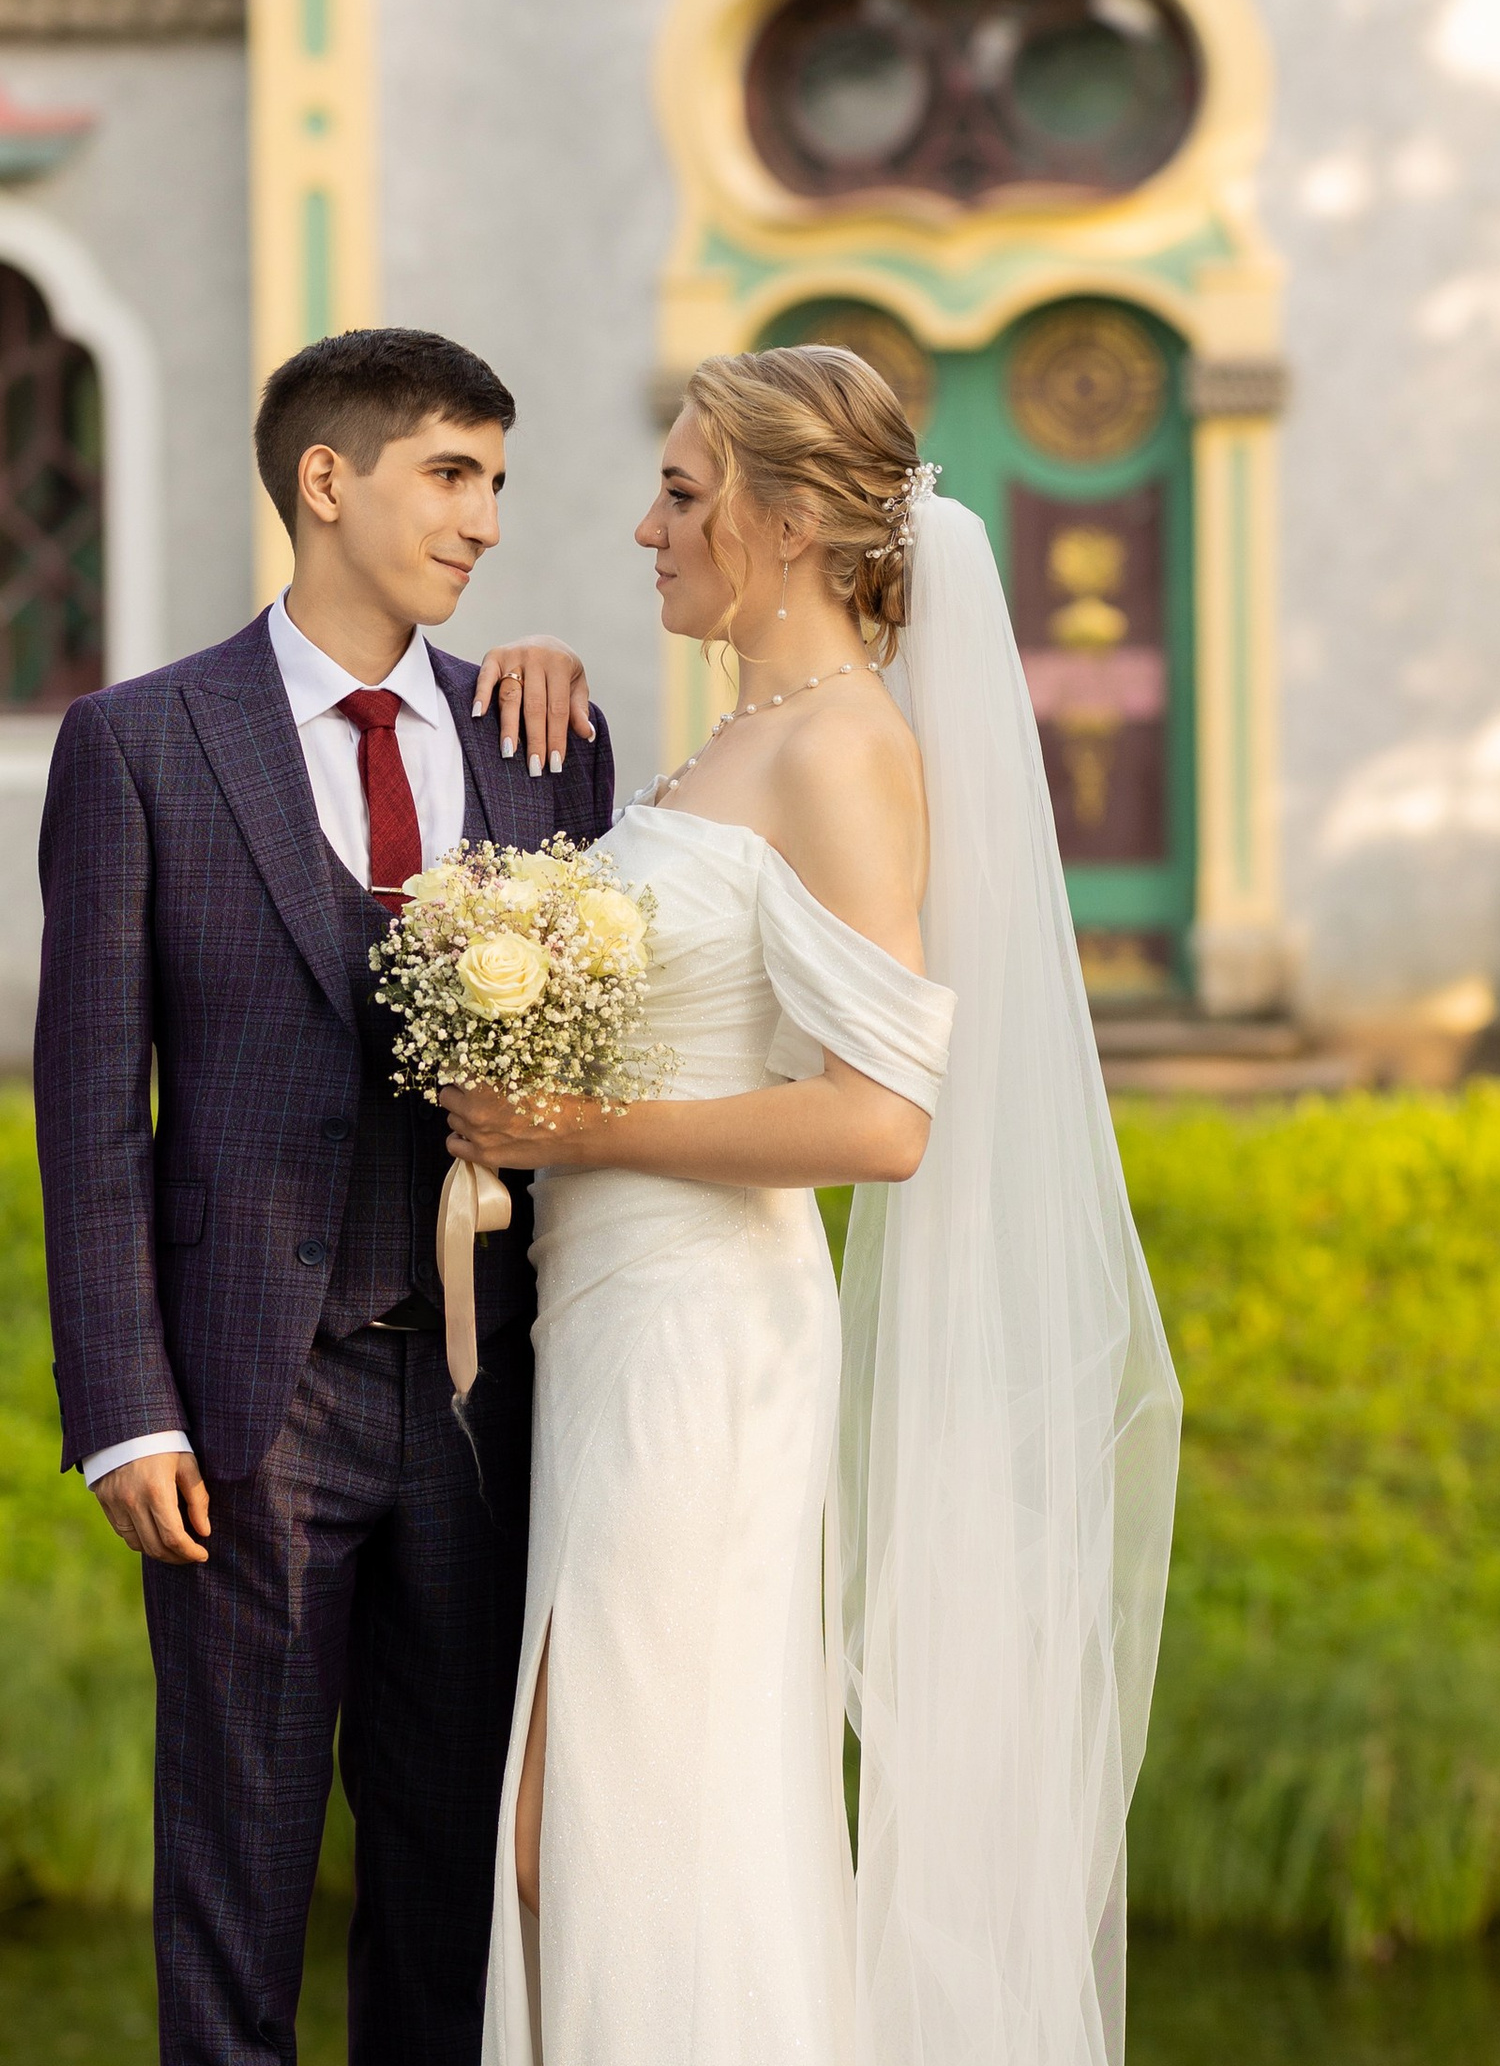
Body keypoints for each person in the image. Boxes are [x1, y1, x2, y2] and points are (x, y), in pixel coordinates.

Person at [444, 344, 1184, 2066]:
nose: (647, 526)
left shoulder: (847, 748)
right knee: (610, 1826)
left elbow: (882, 1117)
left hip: (710, 1345)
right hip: (614, 1326)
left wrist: (585, 1124)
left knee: (609, 1825)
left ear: (784, 521)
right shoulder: (739, 738)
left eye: (685, 493)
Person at [33, 326, 611, 2066]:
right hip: (243, 1403)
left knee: (448, 1898)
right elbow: (86, 1109)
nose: (488, 522)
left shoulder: (538, 747)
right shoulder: (138, 744)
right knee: (236, 1879)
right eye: (453, 474)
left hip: (482, 1394)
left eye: (499, 482)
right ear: (327, 481)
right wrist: (125, 1415)